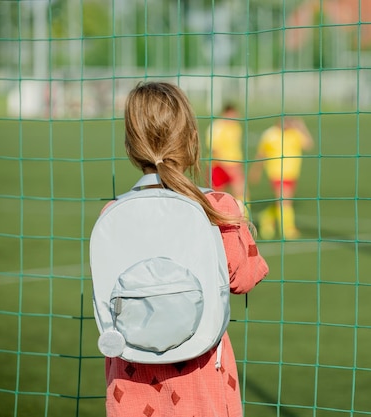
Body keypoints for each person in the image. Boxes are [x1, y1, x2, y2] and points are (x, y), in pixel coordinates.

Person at [103, 81, 269, 417]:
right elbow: (244, 278)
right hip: (202, 376)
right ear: (192, 139)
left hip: (129, 378)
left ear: (130, 146)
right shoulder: (217, 207)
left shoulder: (112, 215)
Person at [250, 116, 314, 239]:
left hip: (292, 173)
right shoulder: (269, 134)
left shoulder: (295, 133)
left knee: (283, 200)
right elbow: (261, 154)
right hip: (276, 173)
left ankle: (267, 217)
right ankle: (287, 229)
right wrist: (255, 171)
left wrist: (302, 127)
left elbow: (309, 145)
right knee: (285, 201)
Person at [206, 103, 248, 202]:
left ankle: (242, 216)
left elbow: (235, 148)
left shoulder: (236, 127)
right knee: (217, 196)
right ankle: (217, 216)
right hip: (218, 165)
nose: (236, 117)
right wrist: (228, 168)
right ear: (226, 113)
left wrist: (238, 164)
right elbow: (214, 150)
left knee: (241, 191)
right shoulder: (217, 127)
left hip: (234, 164)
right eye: (233, 114)